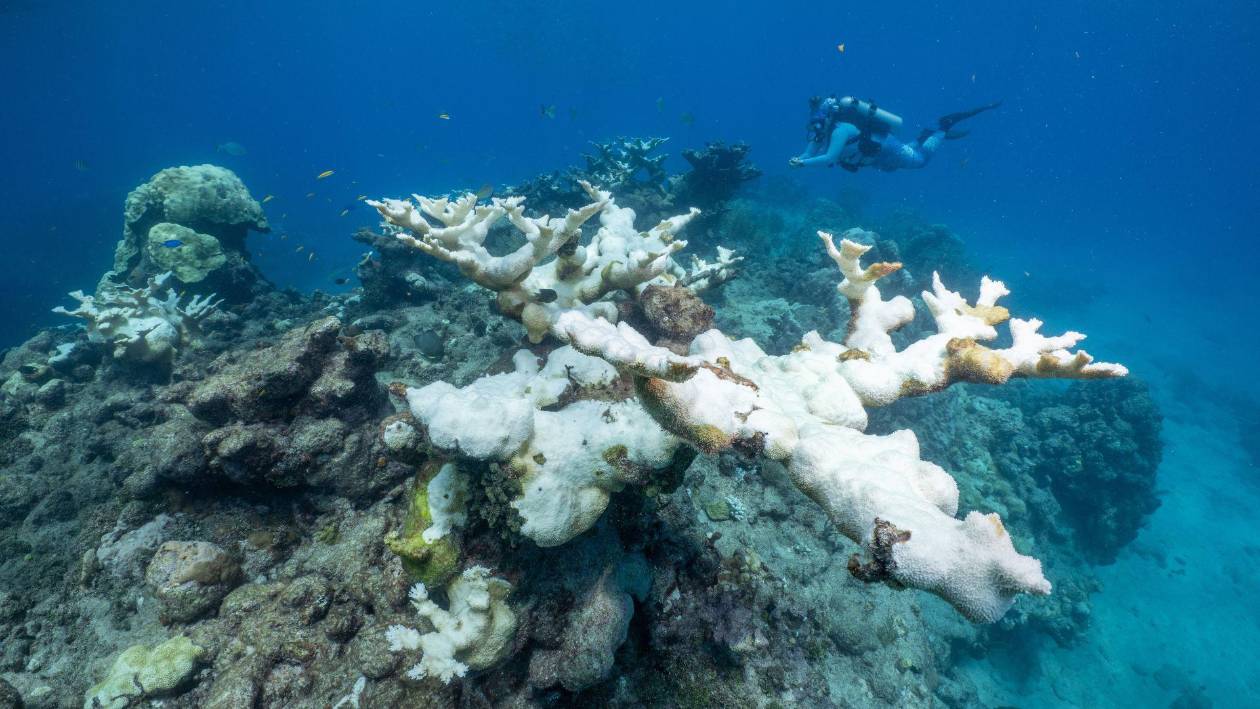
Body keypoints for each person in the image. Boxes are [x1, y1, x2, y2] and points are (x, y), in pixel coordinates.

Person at [789, 96, 1000, 172]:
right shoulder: (823, 133)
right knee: (906, 156)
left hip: (885, 146)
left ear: (827, 119)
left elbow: (830, 158)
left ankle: (942, 129)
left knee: (919, 161)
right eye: (813, 124)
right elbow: (809, 153)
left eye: (818, 123)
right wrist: (800, 158)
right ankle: (927, 134)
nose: (816, 129)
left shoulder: (839, 131)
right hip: (876, 157)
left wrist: (802, 164)